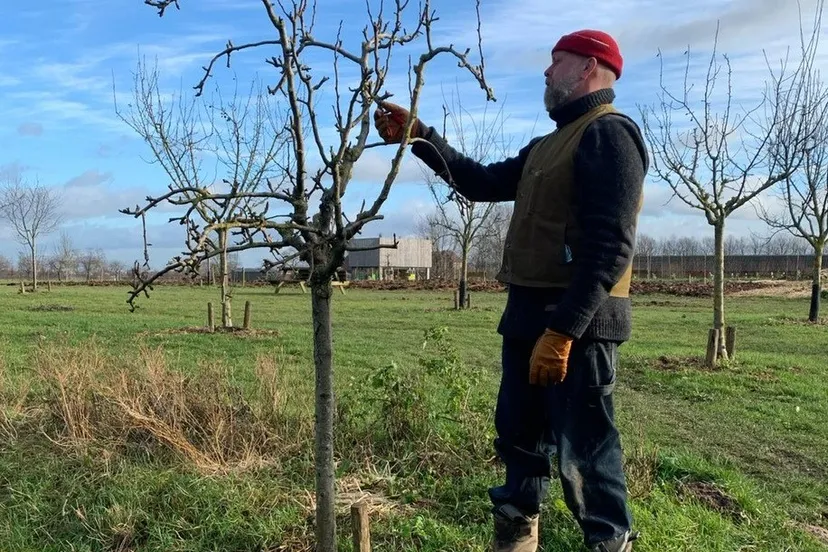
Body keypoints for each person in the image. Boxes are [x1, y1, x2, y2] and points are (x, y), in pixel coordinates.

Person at [373, 29, 648, 552]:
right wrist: (420, 134)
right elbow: (479, 182)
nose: (547, 72)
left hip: (578, 325)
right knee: (520, 441)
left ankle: (609, 543)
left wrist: (563, 331)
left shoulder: (610, 135)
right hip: (525, 314)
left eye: (557, 61)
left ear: (590, 67)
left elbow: (611, 250)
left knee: (586, 452)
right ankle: (518, 536)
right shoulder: (547, 146)